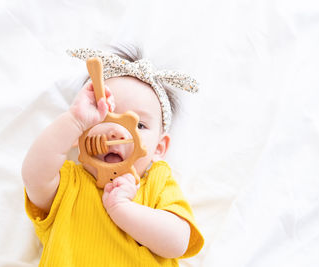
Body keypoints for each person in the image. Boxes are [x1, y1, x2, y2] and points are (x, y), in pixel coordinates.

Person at [22, 45, 204, 266]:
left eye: (140, 124)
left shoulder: (157, 182)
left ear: (159, 148)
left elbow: (178, 242)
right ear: (80, 133)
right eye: (105, 117)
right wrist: (73, 121)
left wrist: (123, 209)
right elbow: (34, 176)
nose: (119, 131)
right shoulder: (68, 183)